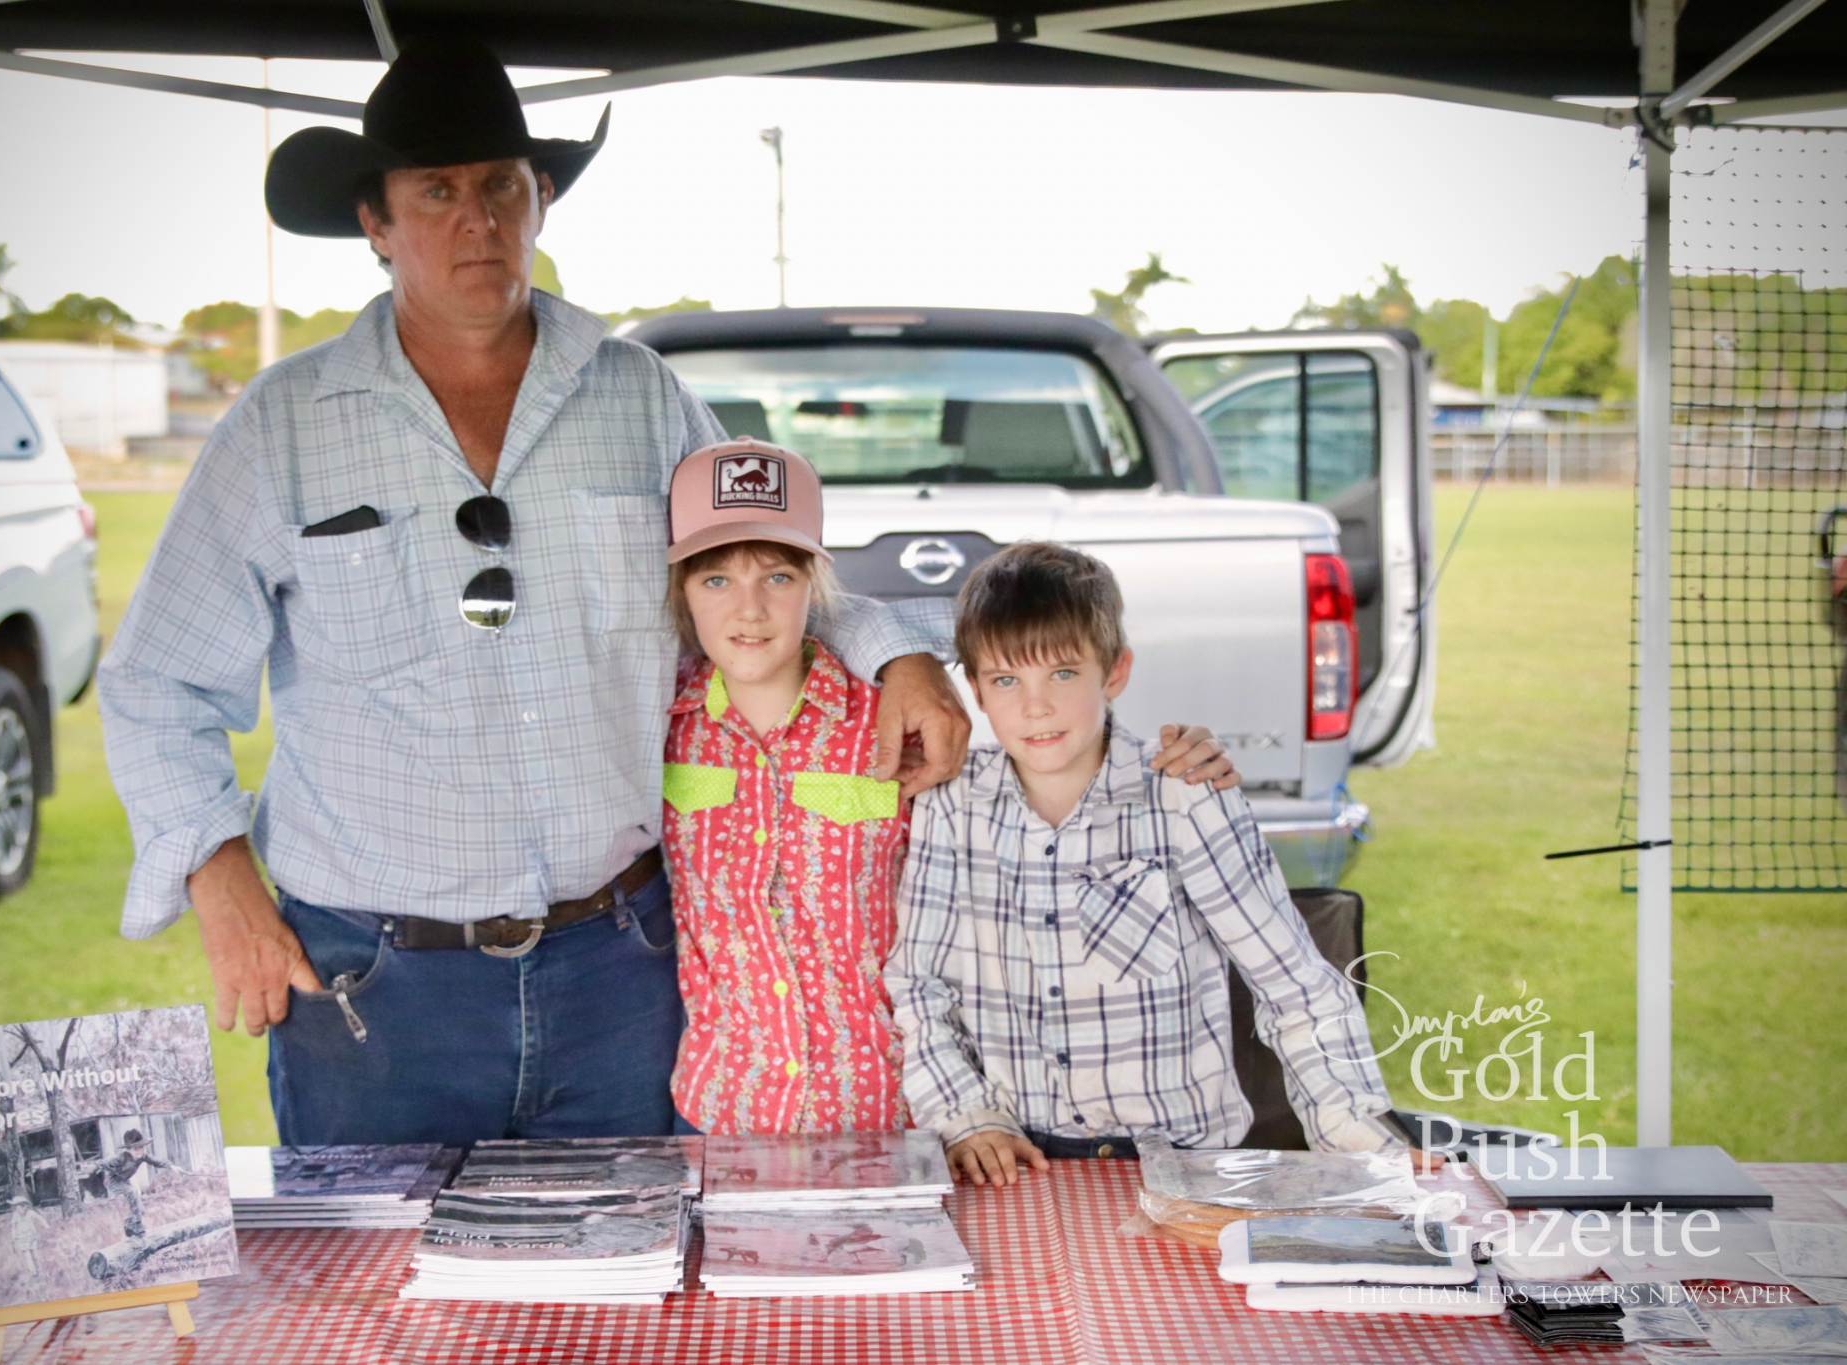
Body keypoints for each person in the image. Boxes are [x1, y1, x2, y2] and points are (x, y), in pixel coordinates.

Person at [101, 43, 1238, 1147]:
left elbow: (762, 561)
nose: (476, 221)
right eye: (436, 190)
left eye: (501, 185)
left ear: (540, 196)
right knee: (385, 1314)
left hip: (624, 968)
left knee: (637, 1302)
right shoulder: (280, 426)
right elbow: (157, 680)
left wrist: (897, 657)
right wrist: (220, 880)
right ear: (375, 220)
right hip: (376, 982)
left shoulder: (638, 397)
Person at [886, 542, 1399, 1187]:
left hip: (1181, 1161)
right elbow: (916, 984)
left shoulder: (1183, 792)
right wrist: (964, 1115)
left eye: (1064, 674)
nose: (1035, 707)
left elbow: (1295, 986)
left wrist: (1355, 1138)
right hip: (1016, 1158)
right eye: (1007, 680)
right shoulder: (950, 803)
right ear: (977, 693)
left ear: (1115, 672)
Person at [660, 439, 911, 1136]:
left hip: (883, 1109)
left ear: (815, 584)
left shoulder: (887, 723)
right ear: (681, 589)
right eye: (715, 580)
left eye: (776, 577)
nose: (750, 609)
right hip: (723, 1107)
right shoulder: (661, 728)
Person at [91, 1129, 172, 1240]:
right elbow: (105, 1163)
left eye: (141, 1148)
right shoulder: (121, 1158)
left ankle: (129, 1223)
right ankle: (138, 1225)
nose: (139, 1151)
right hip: (113, 1182)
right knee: (132, 1191)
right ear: (129, 1150)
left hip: (125, 1181)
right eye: (136, 1149)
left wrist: (171, 1166)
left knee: (141, 1210)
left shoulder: (143, 1156)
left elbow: (156, 1161)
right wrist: (94, 1166)